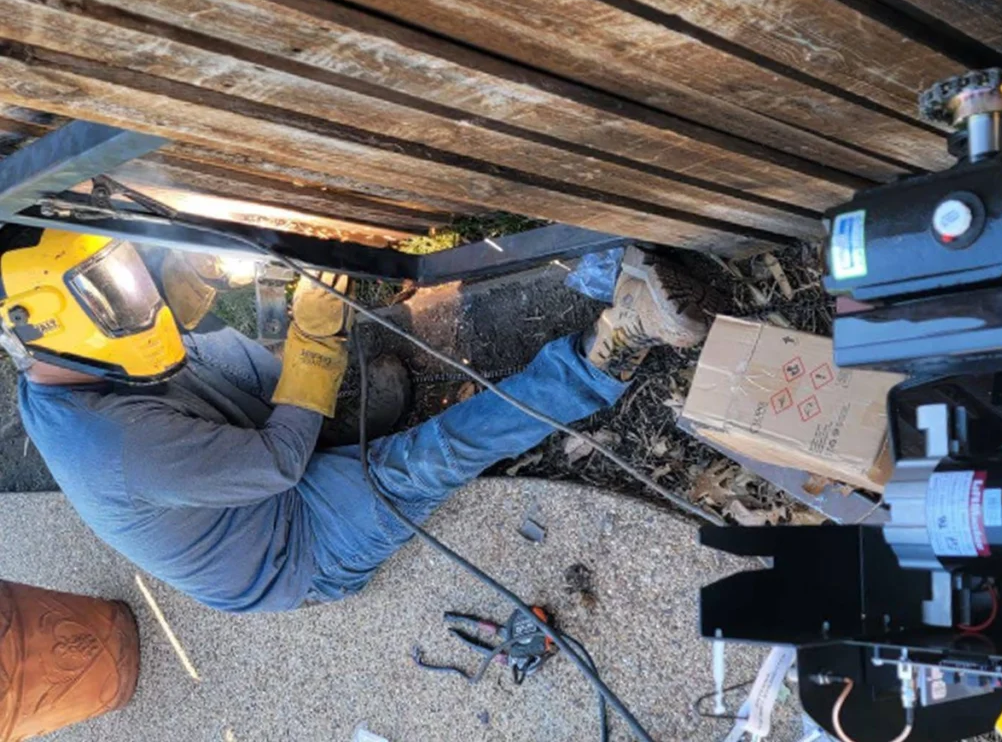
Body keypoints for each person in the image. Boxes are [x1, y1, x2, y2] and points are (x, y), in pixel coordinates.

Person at [0, 226, 712, 613]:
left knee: (228, 356)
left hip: (250, 479)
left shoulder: (89, 356)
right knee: (426, 459)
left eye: (119, 275)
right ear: (49, 320)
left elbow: (204, 354)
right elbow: (278, 466)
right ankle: (614, 348)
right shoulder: (115, 450)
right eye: (114, 291)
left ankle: (334, 425)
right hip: (298, 550)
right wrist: (314, 342)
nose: (138, 296)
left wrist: (208, 275)